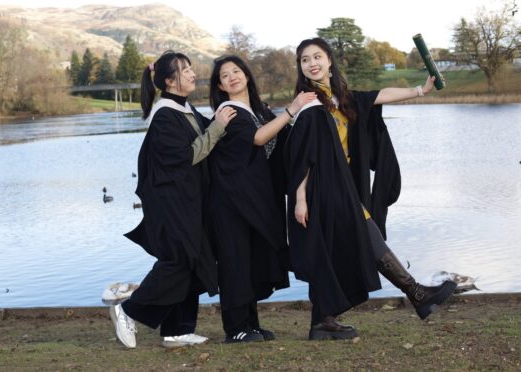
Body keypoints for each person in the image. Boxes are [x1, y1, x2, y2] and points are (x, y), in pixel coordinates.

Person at [284, 38, 457, 341]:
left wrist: (420, 90)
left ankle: (324, 320)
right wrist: (300, 199)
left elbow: (381, 95)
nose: (311, 63)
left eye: (317, 57)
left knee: (342, 246)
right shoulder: (308, 104)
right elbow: (300, 157)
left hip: (342, 185)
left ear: (329, 61)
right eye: (304, 59)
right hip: (320, 189)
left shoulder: (342, 98)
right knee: (362, 235)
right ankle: (415, 293)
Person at [109, 51, 236, 349]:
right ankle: (128, 310)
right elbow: (189, 155)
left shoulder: (184, 108)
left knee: (193, 264)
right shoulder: (165, 115)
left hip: (190, 201)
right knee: (178, 262)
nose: (192, 74)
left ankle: (177, 330)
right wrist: (217, 126)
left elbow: (214, 133)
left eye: (191, 68)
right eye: (185, 70)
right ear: (169, 81)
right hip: (172, 203)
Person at [208, 55, 316, 343]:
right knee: (235, 262)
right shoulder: (229, 111)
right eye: (225, 75)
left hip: (251, 200)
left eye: (236, 71)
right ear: (220, 85)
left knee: (251, 261)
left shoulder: (256, 110)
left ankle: (250, 325)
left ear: (246, 74)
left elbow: (282, 139)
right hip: (230, 201)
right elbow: (257, 138)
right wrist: (291, 110)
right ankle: (235, 328)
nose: (232, 77)